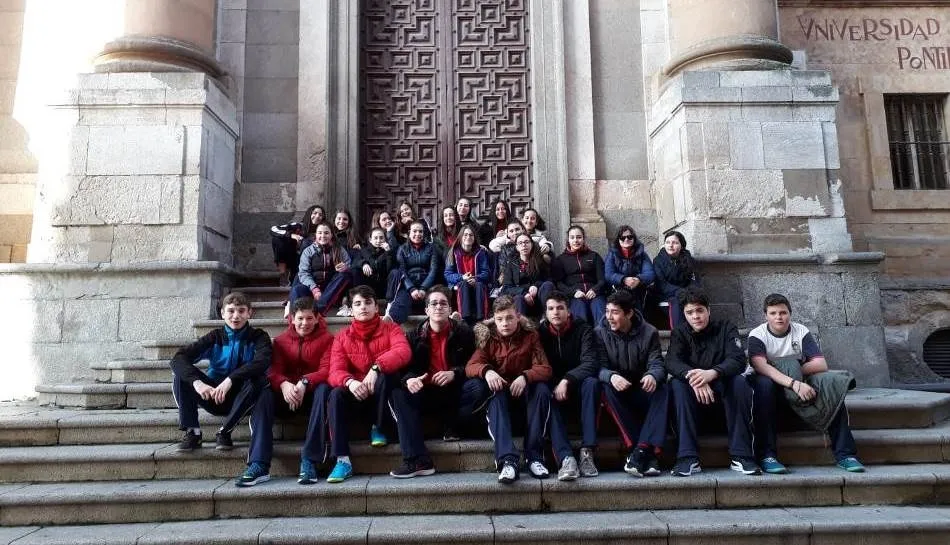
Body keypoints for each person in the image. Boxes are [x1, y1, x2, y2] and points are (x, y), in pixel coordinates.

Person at [749, 293, 865, 474]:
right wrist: (792, 382)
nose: (779, 317)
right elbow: (761, 366)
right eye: (773, 313)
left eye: (783, 312)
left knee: (832, 389)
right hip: (772, 385)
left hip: (799, 380)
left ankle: (845, 454)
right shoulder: (757, 335)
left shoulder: (800, 331)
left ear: (790, 314)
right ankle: (767, 456)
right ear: (766, 316)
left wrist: (794, 371)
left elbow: (820, 364)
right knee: (764, 385)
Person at [170, 292, 273, 487]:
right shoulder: (214, 337)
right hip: (213, 394)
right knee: (181, 376)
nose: (236, 316)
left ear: (249, 313)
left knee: (259, 380)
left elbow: (262, 362)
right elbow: (178, 358)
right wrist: (197, 383)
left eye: (241, 311)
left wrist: (231, 379)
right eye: (231, 311)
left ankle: (225, 431)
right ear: (222, 313)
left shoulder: (259, 337)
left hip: (243, 399)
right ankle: (193, 431)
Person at [665, 287, 760, 477]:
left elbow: (737, 359)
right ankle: (687, 457)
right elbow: (672, 362)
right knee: (677, 384)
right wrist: (695, 378)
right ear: (684, 314)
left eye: (699, 310)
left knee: (739, 383)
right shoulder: (679, 332)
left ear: (708, 310)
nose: (695, 316)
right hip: (693, 397)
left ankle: (741, 456)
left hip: (724, 393)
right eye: (690, 312)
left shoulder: (726, 327)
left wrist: (712, 373)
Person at [388, 286, 479, 477]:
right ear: (426, 310)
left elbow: (474, 364)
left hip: (454, 393)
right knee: (397, 392)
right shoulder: (413, 336)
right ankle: (417, 460)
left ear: (450, 309)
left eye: (443, 303)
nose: (439, 307)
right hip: (425, 393)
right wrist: (410, 379)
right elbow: (403, 369)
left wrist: (454, 373)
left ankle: (456, 425)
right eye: (434, 303)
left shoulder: (464, 333)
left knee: (479, 386)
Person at [326, 286, 412, 482]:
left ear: (376, 308)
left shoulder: (391, 329)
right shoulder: (342, 337)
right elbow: (335, 371)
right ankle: (342, 460)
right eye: (357, 304)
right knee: (335, 394)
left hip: (383, 396)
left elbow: (403, 352)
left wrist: (376, 367)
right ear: (351, 310)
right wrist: (350, 382)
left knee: (387, 374)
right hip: (357, 395)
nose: (363, 307)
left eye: (367, 303)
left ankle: (378, 426)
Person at [464, 296, 554, 483]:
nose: (505, 323)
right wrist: (487, 371)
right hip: (501, 401)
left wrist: (525, 376)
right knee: (494, 395)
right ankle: (508, 461)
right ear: (494, 319)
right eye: (500, 319)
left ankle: (534, 457)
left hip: (525, 400)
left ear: (518, 316)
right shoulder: (489, 337)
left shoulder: (530, 336)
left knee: (542, 389)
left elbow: (545, 368)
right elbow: (471, 366)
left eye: (509, 318)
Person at [596, 290, 669, 478]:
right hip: (617, 390)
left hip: (641, 388)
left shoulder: (649, 332)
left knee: (662, 387)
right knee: (604, 387)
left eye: (615, 312)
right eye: (607, 311)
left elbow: (657, 363)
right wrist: (611, 376)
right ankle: (645, 453)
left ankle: (640, 451)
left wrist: (652, 375)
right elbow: (597, 366)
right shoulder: (599, 333)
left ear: (629, 313)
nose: (609, 317)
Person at [267, 297, 334, 485]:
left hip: (313, 397)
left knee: (325, 389)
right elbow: (273, 371)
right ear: (292, 319)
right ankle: (259, 460)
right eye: (300, 318)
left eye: (309, 318)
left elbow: (327, 370)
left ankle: (309, 460)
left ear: (317, 318)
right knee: (263, 392)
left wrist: (305, 382)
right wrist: (284, 384)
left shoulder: (328, 339)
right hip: (286, 396)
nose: (305, 323)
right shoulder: (280, 341)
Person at [538, 291, 601, 481]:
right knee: (543, 390)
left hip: (578, 387)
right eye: (551, 308)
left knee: (592, 383)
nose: (555, 312)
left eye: (560, 308)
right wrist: (555, 384)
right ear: (546, 312)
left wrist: (567, 380)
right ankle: (566, 458)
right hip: (553, 390)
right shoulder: (540, 333)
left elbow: (591, 362)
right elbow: (538, 365)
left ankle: (587, 451)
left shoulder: (583, 329)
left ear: (568, 311)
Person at [289, 222, 352, 315]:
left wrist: (346, 267)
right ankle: (295, 318)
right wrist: (314, 288)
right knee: (297, 289)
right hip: (313, 287)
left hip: (332, 289)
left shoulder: (339, 249)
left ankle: (319, 311)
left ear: (331, 235)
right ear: (316, 235)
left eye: (326, 233)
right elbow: (304, 273)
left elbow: (349, 265)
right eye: (320, 233)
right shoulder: (308, 251)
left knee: (345, 275)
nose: (323, 236)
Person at [552, 225, 607, 325]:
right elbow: (558, 283)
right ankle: (581, 334)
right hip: (574, 297)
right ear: (568, 240)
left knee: (600, 311)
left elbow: (602, 279)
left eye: (579, 237)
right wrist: (573, 292)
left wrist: (595, 289)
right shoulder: (561, 259)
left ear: (583, 239)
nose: (575, 240)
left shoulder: (594, 256)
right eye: (572, 237)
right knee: (578, 315)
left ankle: (602, 334)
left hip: (595, 295)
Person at [388, 221, 440, 324]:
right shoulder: (402, 249)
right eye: (414, 231)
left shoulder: (431, 248)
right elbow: (402, 270)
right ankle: (391, 322)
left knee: (436, 300)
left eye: (420, 231)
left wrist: (423, 288)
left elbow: (433, 270)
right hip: (408, 283)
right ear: (409, 233)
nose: (418, 234)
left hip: (427, 283)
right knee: (401, 301)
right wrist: (411, 288)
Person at [444, 224, 491, 324]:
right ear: (460, 237)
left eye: (471, 235)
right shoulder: (453, 252)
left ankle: (481, 319)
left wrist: (476, 278)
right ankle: (464, 318)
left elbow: (486, 272)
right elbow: (448, 274)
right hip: (460, 285)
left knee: (479, 285)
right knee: (463, 284)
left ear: (474, 238)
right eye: (465, 235)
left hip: (477, 283)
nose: (468, 237)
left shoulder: (480, 252)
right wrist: (462, 277)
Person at [500, 233, 553, 317]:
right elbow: (506, 288)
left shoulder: (540, 261)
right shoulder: (511, 264)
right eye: (520, 243)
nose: (524, 245)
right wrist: (523, 293)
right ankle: (521, 322)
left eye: (526, 242)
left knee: (548, 285)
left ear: (531, 244)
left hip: (539, 298)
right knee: (519, 298)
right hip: (521, 300)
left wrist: (536, 286)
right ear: (517, 247)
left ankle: (547, 317)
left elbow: (549, 280)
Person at [270, 205, 323, 287]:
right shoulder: (298, 226)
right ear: (309, 214)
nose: (317, 216)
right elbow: (274, 229)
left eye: (320, 215)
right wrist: (291, 235)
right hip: (294, 259)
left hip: (313, 262)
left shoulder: (323, 230)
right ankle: (283, 274)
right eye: (315, 213)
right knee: (278, 239)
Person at [653, 231, 698, 329]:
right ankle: (679, 333)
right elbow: (662, 284)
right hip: (666, 295)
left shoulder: (690, 260)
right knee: (677, 301)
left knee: (697, 300)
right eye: (667, 242)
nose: (670, 245)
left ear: (682, 245)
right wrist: (681, 292)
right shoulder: (658, 261)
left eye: (675, 242)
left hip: (686, 293)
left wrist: (691, 293)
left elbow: (695, 281)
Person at [604, 225, 655, 311]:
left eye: (630, 237)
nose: (626, 239)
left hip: (638, 289)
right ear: (618, 240)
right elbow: (608, 274)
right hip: (618, 289)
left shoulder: (642, 254)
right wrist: (623, 279)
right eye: (622, 238)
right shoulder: (612, 254)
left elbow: (650, 273)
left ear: (634, 238)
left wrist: (638, 279)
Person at [354, 227, 396, 303]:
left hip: (384, 285)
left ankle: (389, 301)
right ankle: (359, 298)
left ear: (385, 239)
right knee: (355, 271)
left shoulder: (389, 251)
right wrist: (364, 264)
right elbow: (355, 262)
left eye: (381, 238)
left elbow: (389, 269)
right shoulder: (364, 250)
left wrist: (388, 252)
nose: (378, 240)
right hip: (368, 283)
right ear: (370, 240)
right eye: (375, 238)